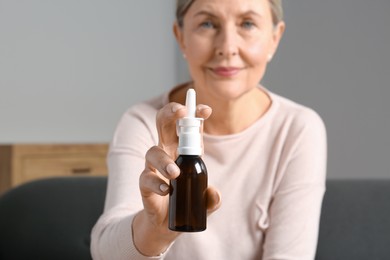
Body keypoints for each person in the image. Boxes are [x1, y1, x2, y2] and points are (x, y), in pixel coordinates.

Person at [91, 0, 327, 259]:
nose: (227, 47)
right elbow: (104, 252)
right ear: (181, 37)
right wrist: (153, 231)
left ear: (274, 37)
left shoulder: (298, 129)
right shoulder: (144, 122)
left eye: (247, 23)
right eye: (207, 23)